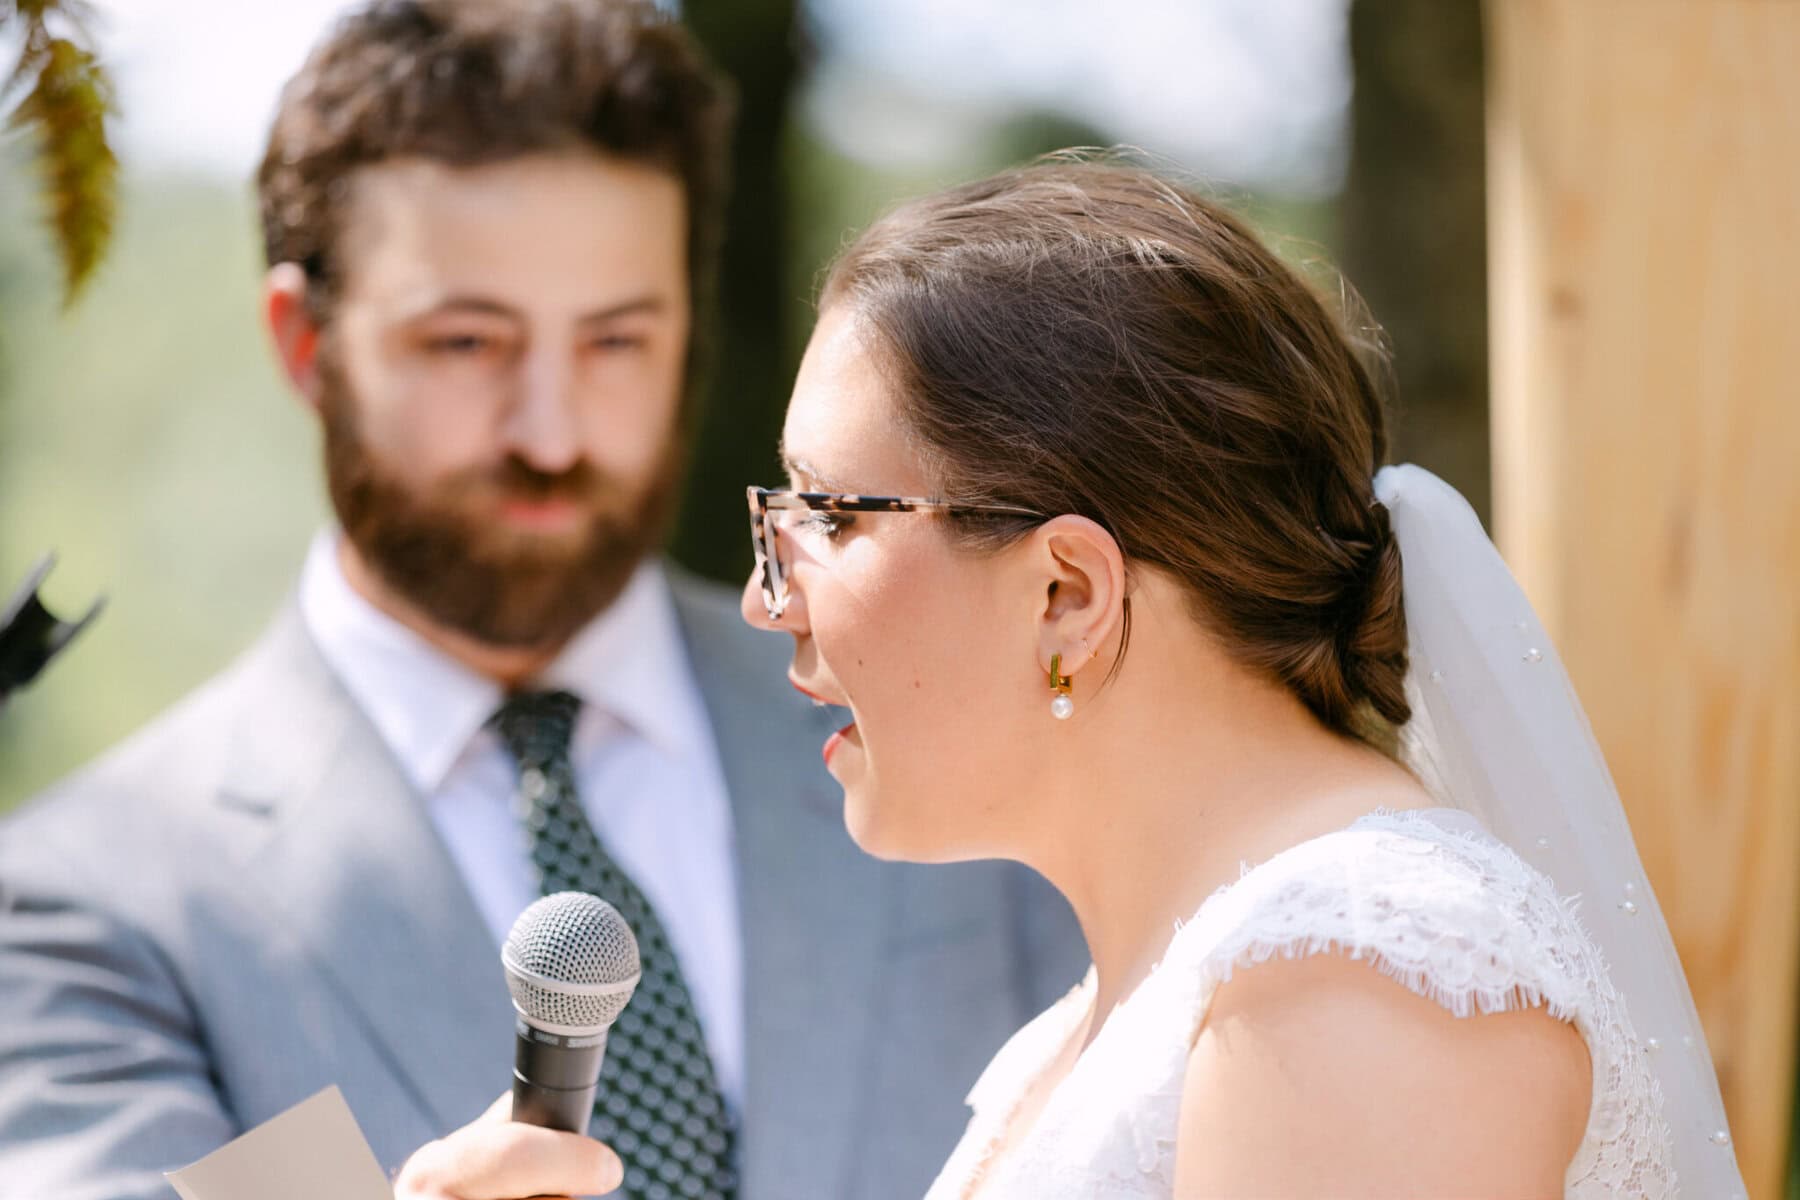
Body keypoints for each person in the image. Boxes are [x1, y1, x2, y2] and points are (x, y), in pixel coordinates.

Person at [402, 157, 1747, 1198]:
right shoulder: (1125, 1011)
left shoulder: (1363, 980)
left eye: (826, 516)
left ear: (1069, 592)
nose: (767, 598)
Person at [0, 5, 1085, 1199]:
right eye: (468, 344)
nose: (552, 434)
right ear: (306, 342)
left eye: (617, 342)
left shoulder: (967, 731)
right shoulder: (94, 903)